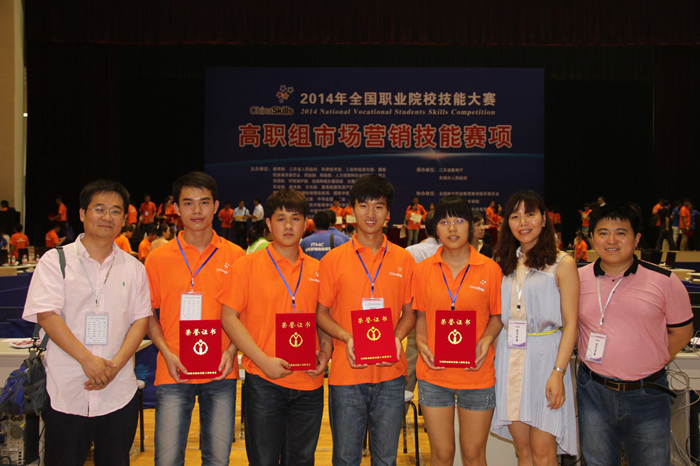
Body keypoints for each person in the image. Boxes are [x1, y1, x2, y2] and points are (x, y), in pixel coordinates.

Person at [23, 179, 152, 465]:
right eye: (100, 209)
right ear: (82, 214)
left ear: (124, 219)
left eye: (116, 211)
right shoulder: (55, 260)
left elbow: (141, 321)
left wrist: (114, 366)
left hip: (118, 391)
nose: (108, 217)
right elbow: (47, 315)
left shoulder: (134, 268)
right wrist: (87, 360)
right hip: (67, 389)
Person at [577, 203, 693, 466]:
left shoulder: (664, 280)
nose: (611, 240)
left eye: (621, 233)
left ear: (637, 238)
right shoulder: (576, 278)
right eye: (603, 233)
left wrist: (651, 361)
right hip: (593, 391)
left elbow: (682, 331)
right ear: (591, 237)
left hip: (647, 393)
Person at [222, 189, 332, 465]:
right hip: (264, 380)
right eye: (281, 218)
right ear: (269, 224)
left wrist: (326, 352)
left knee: (302, 460)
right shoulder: (246, 266)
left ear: (305, 223)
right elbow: (229, 318)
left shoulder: (318, 270)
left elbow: (323, 319)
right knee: (263, 460)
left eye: (295, 218)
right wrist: (262, 361)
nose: (288, 225)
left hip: (309, 382)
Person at [145, 171, 245, 466]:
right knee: (167, 460)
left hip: (221, 371)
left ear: (216, 207)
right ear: (176, 208)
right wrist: (166, 352)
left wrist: (232, 351)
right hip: (174, 370)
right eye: (188, 203)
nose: (197, 210)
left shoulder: (236, 256)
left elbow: (245, 315)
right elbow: (147, 314)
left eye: (204, 202)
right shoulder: (158, 258)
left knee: (218, 459)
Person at [316, 174, 416, 466]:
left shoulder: (404, 260)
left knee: (385, 459)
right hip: (346, 374)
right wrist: (347, 336)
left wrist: (396, 337)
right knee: (346, 458)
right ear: (352, 210)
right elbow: (321, 314)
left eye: (379, 207)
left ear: (388, 213)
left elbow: (410, 313)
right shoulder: (333, 260)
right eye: (363, 206)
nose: (371, 214)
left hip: (390, 375)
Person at [491, 189, 580, 463]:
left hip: (546, 359)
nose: (523, 222)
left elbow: (571, 324)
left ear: (544, 218)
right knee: (523, 451)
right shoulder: (503, 262)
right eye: (515, 216)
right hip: (509, 357)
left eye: (530, 214)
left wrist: (558, 372)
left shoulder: (562, 263)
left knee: (543, 453)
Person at [413, 196, 503, 466]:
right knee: (441, 455)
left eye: (459, 221)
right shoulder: (422, 270)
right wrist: (421, 341)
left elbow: (497, 316)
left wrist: (486, 339)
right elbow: (420, 316)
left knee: (474, 455)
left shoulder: (491, 269)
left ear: (471, 226)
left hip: (477, 374)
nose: (452, 228)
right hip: (434, 375)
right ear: (435, 229)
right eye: (444, 222)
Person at [404, 211, 440, 395]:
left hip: (416, 311)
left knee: (412, 357)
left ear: (425, 228)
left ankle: (403, 401)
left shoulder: (410, 251)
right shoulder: (451, 251)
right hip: (443, 314)